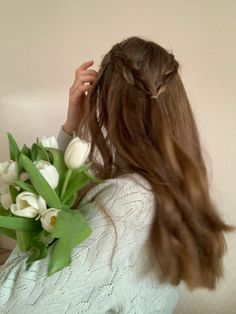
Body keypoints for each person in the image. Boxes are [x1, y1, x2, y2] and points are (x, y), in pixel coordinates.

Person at [0, 36, 234, 314]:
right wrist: (72, 125)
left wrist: (29, 236)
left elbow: (11, 298)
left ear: (106, 105)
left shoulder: (126, 202)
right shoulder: (166, 183)